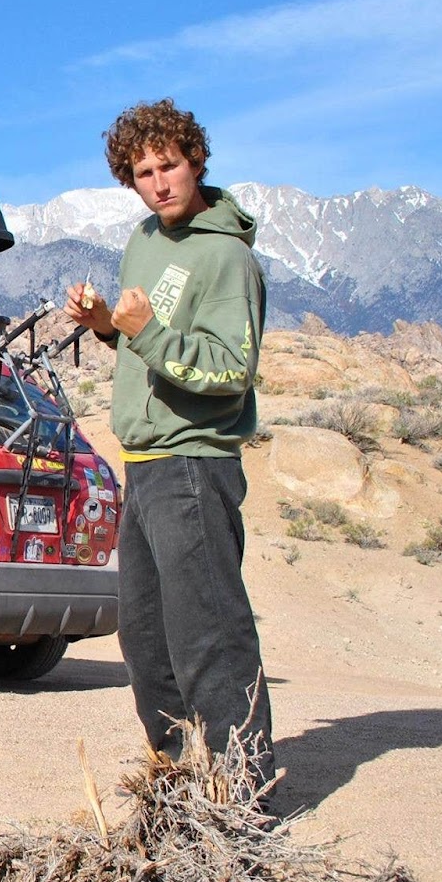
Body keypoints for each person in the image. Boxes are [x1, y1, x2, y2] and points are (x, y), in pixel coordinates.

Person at [63, 98, 275, 789]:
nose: (159, 182)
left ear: (197, 161)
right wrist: (104, 322)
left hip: (194, 459)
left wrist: (146, 330)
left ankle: (244, 790)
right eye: (143, 171)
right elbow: (137, 335)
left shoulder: (226, 256)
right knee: (146, 639)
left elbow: (228, 370)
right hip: (145, 465)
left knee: (208, 632)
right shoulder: (144, 241)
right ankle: (184, 778)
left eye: (170, 164)